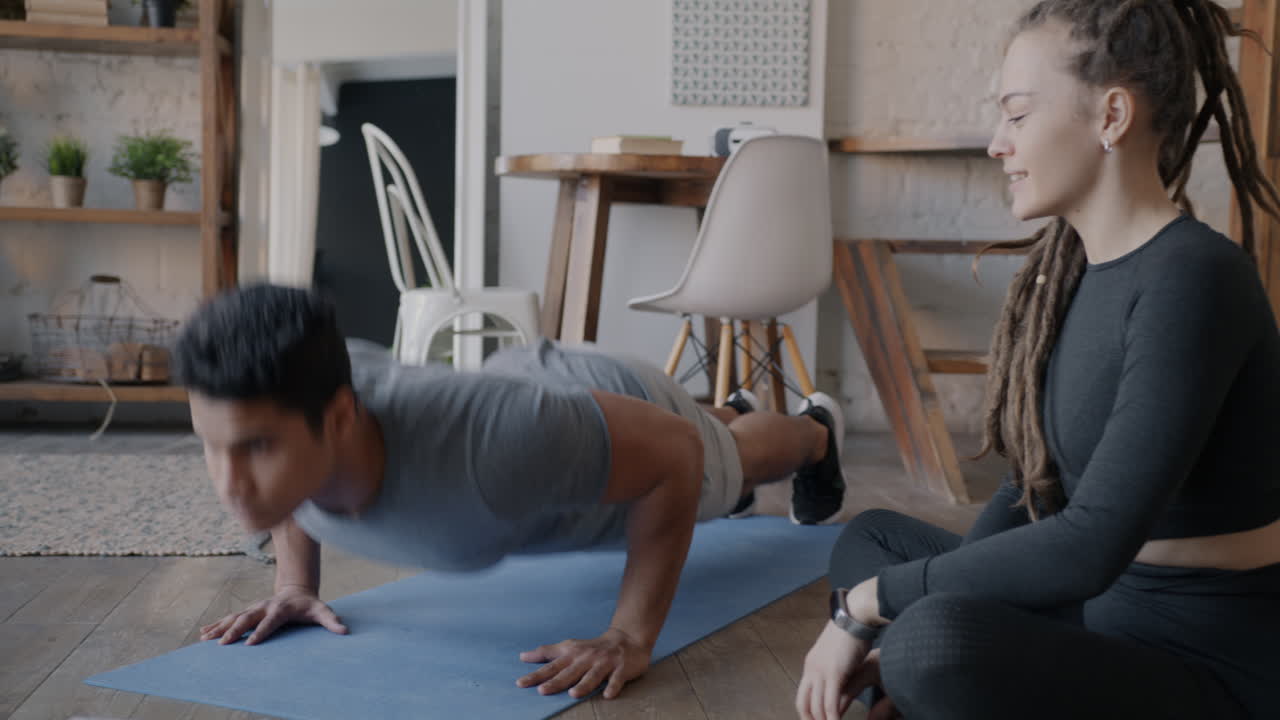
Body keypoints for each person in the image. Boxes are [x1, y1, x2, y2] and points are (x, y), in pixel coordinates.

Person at [797, 1, 1280, 719]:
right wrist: (920, 600)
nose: (999, 143)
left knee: (922, 638)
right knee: (874, 540)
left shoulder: (1195, 278)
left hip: (1199, 658)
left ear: (1111, 116)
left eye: (1017, 116)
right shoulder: (1077, 273)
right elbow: (1034, 489)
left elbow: (1091, 545)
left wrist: (870, 610)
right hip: (1093, 612)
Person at [175, 283, 848, 701]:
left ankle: (816, 431)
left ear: (340, 418)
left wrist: (628, 636)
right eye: (212, 443)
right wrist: (295, 587)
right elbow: (292, 476)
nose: (229, 486)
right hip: (534, 395)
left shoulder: (489, 445)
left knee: (719, 463)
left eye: (256, 448)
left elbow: (674, 451)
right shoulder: (301, 400)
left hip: (614, 398)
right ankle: (728, 409)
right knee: (697, 436)